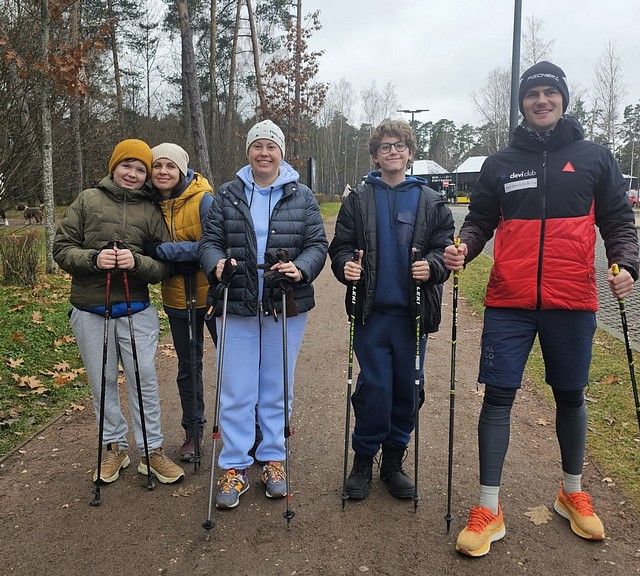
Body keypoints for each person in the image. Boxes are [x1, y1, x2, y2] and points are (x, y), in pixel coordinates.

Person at [443, 61, 639, 556]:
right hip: (509, 299)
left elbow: (618, 218)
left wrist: (626, 263)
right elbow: (481, 220)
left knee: (571, 396)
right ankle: (489, 506)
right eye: (534, 94)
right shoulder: (501, 162)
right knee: (499, 397)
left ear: (563, 100)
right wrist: (465, 245)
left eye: (551, 93)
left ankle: (572, 493)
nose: (542, 100)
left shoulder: (594, 157)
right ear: (524, 103)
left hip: (572, 299)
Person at [198, 120, 328, 509]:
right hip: (235, 299)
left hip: (283, 302)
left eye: (271, 146)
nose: (264, 153)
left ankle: (273, 457)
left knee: (276, 385)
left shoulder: (301, 195)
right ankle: (235, 465)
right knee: (236, 388)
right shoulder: (228, 193)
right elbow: (209, 242)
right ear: (249, 152)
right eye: (257, 146)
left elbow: (317, 243)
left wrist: (301, 268)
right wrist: (216, 263)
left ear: (281, 153)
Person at [329, 119, 454, 500]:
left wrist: (433, 266)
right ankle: (364, 459)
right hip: (371, 314)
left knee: (408, 388)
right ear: (375, 154)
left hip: (413, 317)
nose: (393, 152)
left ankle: (394, 460)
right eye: (385, 146)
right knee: (375, 388)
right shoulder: (358, 199)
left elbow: (444, 249)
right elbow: (341, 247)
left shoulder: (431, 202)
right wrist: (346, 265)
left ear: (411, 153)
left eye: (400, 146)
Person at [54, 139, 184, 486]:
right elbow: (62, 249)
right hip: (90, 308)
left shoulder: (151, 210)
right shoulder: (88, 200)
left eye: (141, 169)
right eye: (127, 166)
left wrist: (137, 262)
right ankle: (115, 447)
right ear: (114, 167)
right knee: (103, 380)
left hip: (135, 310)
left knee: (144, 379)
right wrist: (94, 259)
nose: (133, 173)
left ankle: (152, 450)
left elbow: (164, 266)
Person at [145, 143, 217, 462]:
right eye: (157, 166)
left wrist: (168, 252)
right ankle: (193, 431)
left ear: (182, 170)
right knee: (188, 367)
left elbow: (216, 244)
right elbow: (143, 245)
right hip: (177, 296)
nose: (163, 172)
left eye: (169, 166)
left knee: (234, 364)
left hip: (214, 295)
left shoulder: (204, 199)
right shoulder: (148, 204)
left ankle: (252, 430)